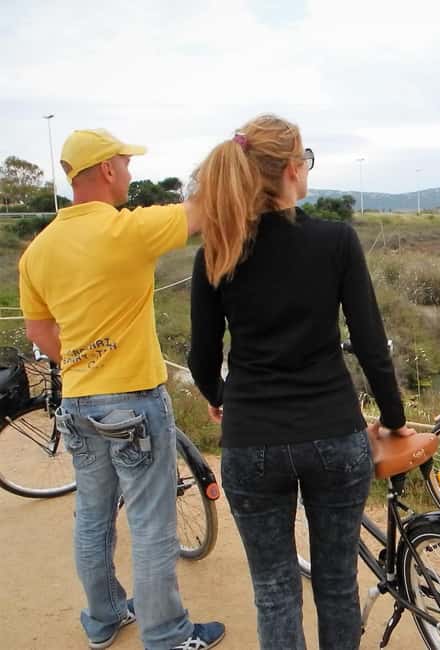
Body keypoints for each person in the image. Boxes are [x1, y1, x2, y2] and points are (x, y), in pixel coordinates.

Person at [186, 114, 415, 650]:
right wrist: (394, 418)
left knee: (274, 592)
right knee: (336, 584)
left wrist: (223, 398)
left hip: (251, 440)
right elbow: (371, 344)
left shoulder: (217, 250)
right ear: (292, 168)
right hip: (333, 433)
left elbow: (201, 358)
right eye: (305, 158)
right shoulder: (336, 240)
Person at [18, 128, 225, 650]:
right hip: (134, 401)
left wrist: (85, 360)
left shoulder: (37, 251)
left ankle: (104, 617)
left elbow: (40, 333)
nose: (130, 173)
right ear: (107, 169)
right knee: (152, 524)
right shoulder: (127, 229)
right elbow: (203, 210)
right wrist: (236, 153)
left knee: (92, 517)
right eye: (126, 164)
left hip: (78, 402)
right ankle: (167, 635)